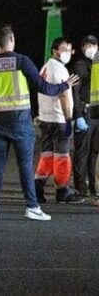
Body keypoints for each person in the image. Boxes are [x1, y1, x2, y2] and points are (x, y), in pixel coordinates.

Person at [0, 24, 79, 221]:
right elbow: (44, 87)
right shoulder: (21, 61)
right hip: (20, 121)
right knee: (24, 164)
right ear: (12, 39)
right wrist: (65, 85)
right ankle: (32, 206)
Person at [34, 37, 83, 204]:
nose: (67, 53)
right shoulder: (60, 70)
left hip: (45, 117)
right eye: (64, 49)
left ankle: (37, 186)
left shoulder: (45, 67)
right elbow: (63, 96)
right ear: (55, 51)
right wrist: (69, 119)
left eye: (70, 50)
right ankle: (63, 191)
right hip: (59, 118)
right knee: (62, 156)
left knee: (47, 154)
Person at [70, 35, 99, 200]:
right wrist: (78, 115)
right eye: (86, 45)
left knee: (94, 151)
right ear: (82, 48)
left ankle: (93, 187)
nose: (90, 48)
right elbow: (75, 92)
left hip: (97, 113)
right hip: (86, 112)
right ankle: (81, 187)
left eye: (93, 45)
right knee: (82, 150)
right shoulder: (79, 66)